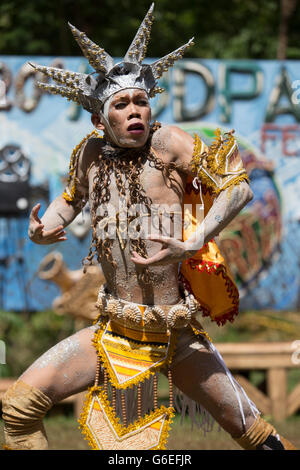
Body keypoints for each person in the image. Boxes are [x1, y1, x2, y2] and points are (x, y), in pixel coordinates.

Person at [2, 4, 296, 451]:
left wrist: (196, 239)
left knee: (257, 437)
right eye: (122, 104)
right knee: (18, 410)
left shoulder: (170, 143)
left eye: (141, 100)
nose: (135, 109)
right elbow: (68, 203)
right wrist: (43, 230)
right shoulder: (89, 155)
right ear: (101, 120)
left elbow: (239, 188)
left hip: (175, 333)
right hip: (113, 330)